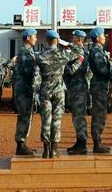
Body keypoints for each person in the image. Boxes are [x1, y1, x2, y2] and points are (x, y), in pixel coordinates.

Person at [36, 30, 83, 158]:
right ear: (57, 40)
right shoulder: (63, 54)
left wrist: (36, 90)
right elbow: (79, 54)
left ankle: (46, 149)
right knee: (56, 120)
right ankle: (55, 149)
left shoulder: (40, 56)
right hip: (58, 89)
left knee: (46, 120)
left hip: (45, 88)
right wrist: (68, 44)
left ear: (47, 41)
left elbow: (36, 75)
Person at [13, 28, 40, 156]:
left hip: (27, 89)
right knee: (24, 116)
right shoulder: (25, 52)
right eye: (34, 36)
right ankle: (21, 144)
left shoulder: (28, 52)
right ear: (28, 38)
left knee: (26, 116)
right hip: (24, 89)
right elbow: (29, 72)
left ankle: (22, 143)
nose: (36, 38)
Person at [86, 27, 112, 154]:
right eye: (103, 35)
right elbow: (103, 70)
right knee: (99, 114)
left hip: (100, 85)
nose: (105, 37)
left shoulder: (98, 51)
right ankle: (97, 143)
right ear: (97, 38)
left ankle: (98, 141)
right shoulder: (96, 52)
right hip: (99, 85)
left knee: (101, 113)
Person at [64, 30, 90, 155]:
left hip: (78, 87)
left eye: (74, 38)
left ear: (79, 40)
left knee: (79, 117)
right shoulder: (80, 51)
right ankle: (80, 142)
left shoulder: (78, 51)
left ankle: (82, 144)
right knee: (77, 116)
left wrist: (63, 66)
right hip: (77, 87)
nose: (72, 40)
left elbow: (71, 71)